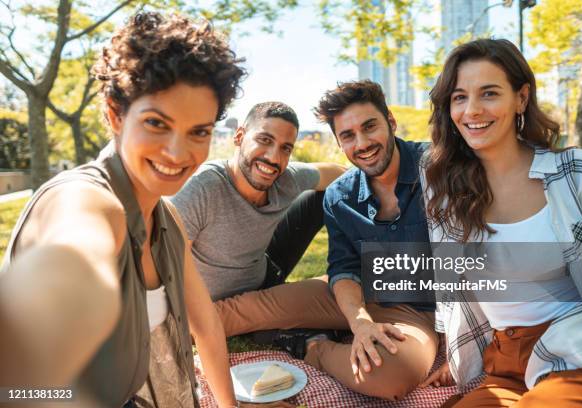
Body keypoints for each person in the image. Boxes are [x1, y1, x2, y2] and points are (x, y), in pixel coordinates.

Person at [0, 12, 252, 408]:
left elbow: (206, 324)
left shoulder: (167, 220)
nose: (177, 152)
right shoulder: (86, 200)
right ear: (116, 114)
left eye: (198, 132)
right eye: (156, 123)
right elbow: (70, 261)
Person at [214, 80, 438, 401]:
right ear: (339, 142)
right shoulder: (339, 196)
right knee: (241, 311)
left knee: (389, 376)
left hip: (418, 311)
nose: (362, 143)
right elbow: (344, 268)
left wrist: (464, 349)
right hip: (354, 292)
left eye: (369, 127)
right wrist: (359, 322)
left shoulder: (437, 168)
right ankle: (148, 333)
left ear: (390, 121)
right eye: (348, 135)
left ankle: (312, 346)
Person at [421, 38, 582, 407]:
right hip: (502, 361)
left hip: (581, 349)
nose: (472, 110)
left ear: (521, 98)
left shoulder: (578, 174)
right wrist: (451, 350)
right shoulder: (443, 186)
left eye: (489, 93)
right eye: (459, 97)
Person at [172, 101, 345, 301]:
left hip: (266, 275)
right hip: (221, 303)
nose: (273, 157)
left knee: (330, 192)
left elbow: (336, 173)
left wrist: (378, 183)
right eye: (264, 140)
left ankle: (374, 267)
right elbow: (167, 268)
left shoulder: (284, 178)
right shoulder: (201, 188)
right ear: (239, 136)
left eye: (285, 148)